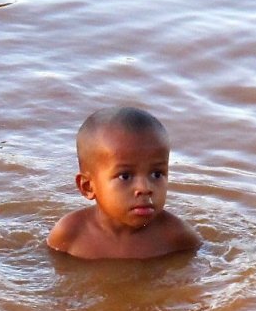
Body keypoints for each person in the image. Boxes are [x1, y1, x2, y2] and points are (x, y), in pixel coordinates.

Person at [47, 106, 202, 260]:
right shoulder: (70, 234)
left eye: (156, 174)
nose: (145, 188)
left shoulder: (177, 237)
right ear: (88, 187)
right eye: (125, 176)